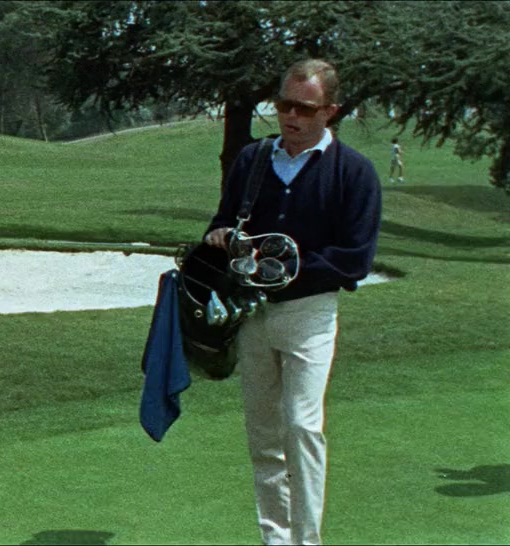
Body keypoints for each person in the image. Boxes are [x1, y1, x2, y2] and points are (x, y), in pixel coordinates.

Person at [203, 59, 382, 545]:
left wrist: (285, 268)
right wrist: (221, 239)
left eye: (304, 108)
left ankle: (306, 540)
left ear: (330, 111)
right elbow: (222, 221)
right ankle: (275, 539)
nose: (290, 116)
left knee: (302, 427)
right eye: (284, 105)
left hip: (309, 314)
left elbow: (355, 259)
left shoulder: (353, 172)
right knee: (264, 434)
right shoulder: (253, 160)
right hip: (252, 314)